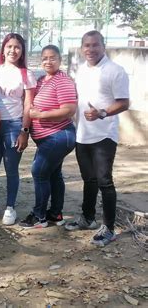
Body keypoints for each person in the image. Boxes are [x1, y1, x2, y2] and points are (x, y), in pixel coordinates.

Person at [65, 30, 130, 247]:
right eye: (86, 45)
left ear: (103, 46)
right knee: (89, 180)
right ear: (82, 48)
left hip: (104, 135)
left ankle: (109, 228)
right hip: (82, 134)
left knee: (105, 182)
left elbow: (124, 102)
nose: (90, 49)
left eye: (95, 45)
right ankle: (88, 218)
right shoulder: (81, 70)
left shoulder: (115, 71)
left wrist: (102, 113)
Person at [18, 45, 77, 229]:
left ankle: (39, 216)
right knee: (54, 174)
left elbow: (69, 110)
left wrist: (41, 115)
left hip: (59, 136)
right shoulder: (43, 80)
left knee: (39, 171)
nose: (48, 61)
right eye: (44, 58)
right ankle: (55, 214)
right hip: (50, 138)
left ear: (60, 60)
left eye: (52, 58)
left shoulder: (63, 80)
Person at [0, 33, 36, 225]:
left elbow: (28, 103)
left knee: (11, 169)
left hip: (14, 124)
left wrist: (25, 130)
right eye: (9, 46)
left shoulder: (26, 74)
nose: (13, 50)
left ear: (22, 51)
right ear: (3, 49)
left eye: (17, 47)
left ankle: (10, 208)